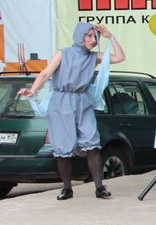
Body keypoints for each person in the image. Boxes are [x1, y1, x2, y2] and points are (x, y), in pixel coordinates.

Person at [17, 23, 125, 200]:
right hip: (61, 101)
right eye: (88, 36)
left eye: (94, 36)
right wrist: (33, 90)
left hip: (83, 100)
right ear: (79, 36)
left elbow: (120, 57)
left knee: (92, 143)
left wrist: (110, 36)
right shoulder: (63, 53)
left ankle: (99, 187)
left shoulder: (93, 57)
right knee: (63, 147)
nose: (93, 39)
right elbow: (45, 73)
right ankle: (67, 188)